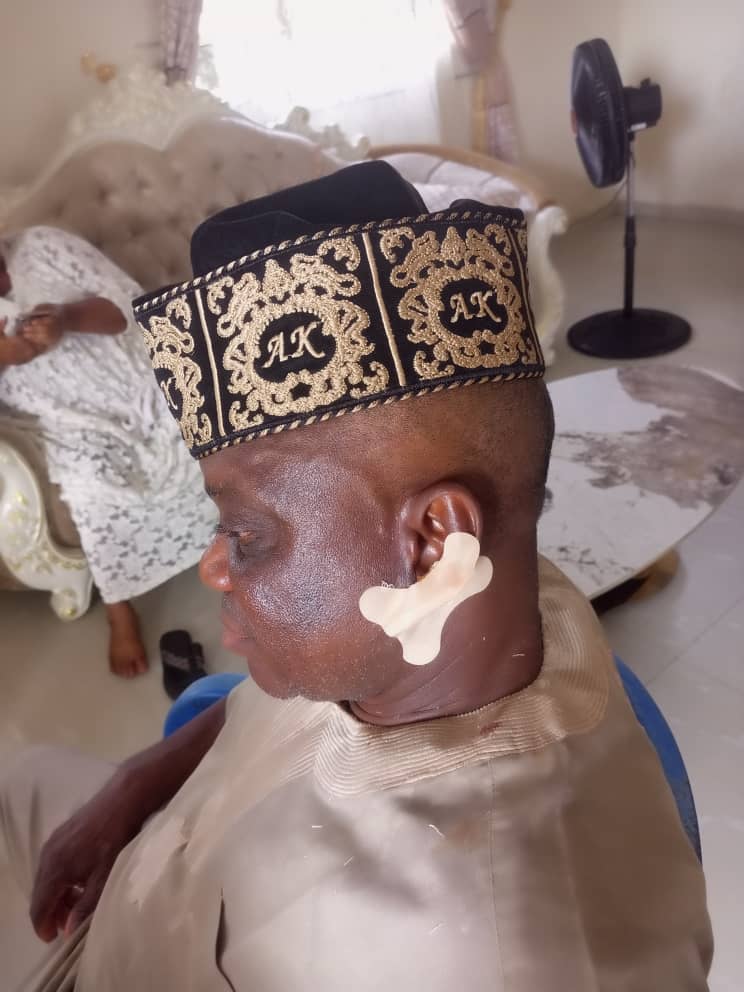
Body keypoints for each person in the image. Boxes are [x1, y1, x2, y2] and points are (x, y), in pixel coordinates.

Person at [0, 164, 712, 990]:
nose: (213, 566)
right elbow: (277, 714)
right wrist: (138, 781)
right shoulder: (451, 618)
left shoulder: (498, 956)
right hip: (148, 873)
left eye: (246, 534)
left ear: (434, 542)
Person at [0, 227, 216, 676]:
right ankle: (119, 609)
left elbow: (123, 309)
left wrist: (65, 318)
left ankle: (244, 540)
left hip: (138, 379)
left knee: (202, 425)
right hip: (72, 420)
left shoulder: (39, 244)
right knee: (89, 486)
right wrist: (7, 357)